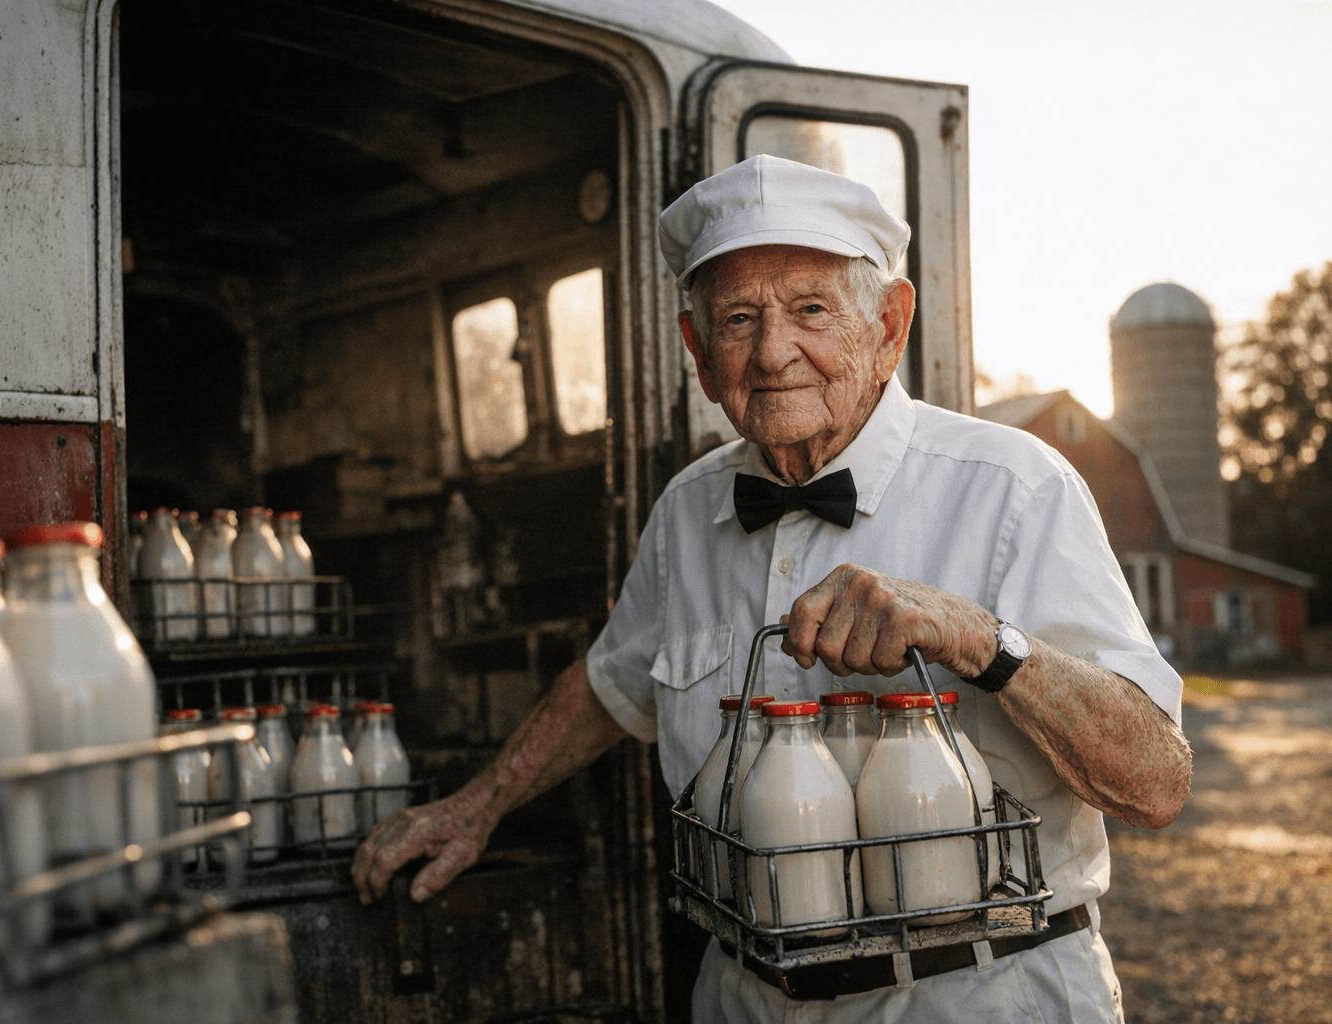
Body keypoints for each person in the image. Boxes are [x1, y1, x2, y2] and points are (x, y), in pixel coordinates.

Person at [353, 154, 1192, 1021]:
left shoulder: (1015, 486)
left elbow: (1155, 784)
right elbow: (613, 686)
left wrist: (981, 639)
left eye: (812, 311)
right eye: (739, 319)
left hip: (978, 992)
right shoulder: (687, 509)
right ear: (698, 351)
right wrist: (474, 808)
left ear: (891, 326)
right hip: (744, 995)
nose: (772, 351)